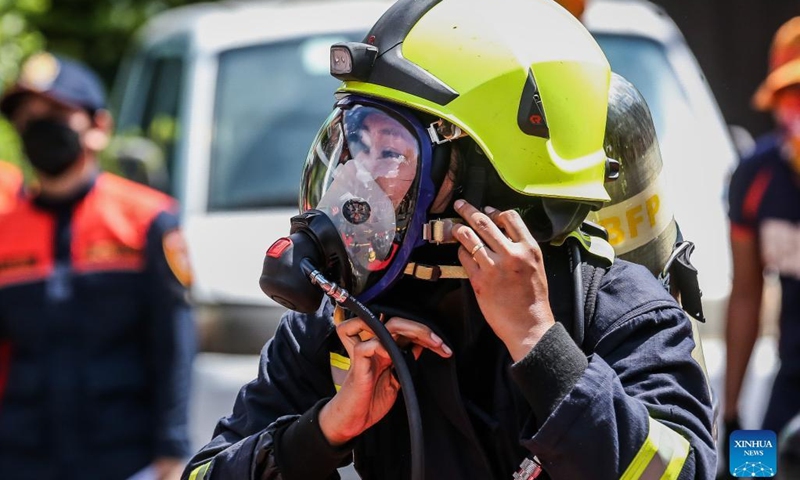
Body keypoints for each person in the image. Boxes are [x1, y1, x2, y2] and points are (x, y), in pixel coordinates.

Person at [184, 0, 715, 479]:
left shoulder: (616, 312)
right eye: (356, 144)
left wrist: (540, 346)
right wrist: (322, 430)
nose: (353, 178)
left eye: (391, 152)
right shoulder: (340, 326)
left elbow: (684, 473)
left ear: (488, 178)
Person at [0, 52, 196, 480]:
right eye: (27, 116)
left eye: (54, 112)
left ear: (99, 128)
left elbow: (173, 341)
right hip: (21, 458)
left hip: (128, 457)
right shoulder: (3, 231)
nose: (38, 125)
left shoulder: (148, 219)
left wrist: (173, 446)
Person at [723, 14, 800, 451]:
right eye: (793, 95)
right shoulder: (755, 178)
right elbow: (747, 293)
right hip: (791, 374)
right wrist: (732, 413)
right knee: (755, 461)